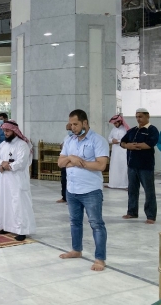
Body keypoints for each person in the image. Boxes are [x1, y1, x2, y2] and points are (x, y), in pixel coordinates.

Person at [58, 109, 109, 271]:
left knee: (96, 224)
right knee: (75, 222)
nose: (72, 127)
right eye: (71, 124)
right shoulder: (69, 140)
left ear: (85, 123)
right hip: (72, 189)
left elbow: (101, 165)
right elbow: (60, 163)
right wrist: (72, 159)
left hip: (91, 190)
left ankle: (100, 259)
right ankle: (76, 250)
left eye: (75, 124)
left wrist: (80, 163)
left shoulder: (98, 140)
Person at [0, 120, 36, 241]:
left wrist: (7, 166)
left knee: (18, 204)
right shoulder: (3, 144)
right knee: (5, 202)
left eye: (7, 131)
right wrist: (1, 163)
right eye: (4, 131)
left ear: (14, 131)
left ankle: (22, 230)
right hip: (5, 180)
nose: (5, 133)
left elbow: (22, 163)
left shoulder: (22, 144)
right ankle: (6, 226)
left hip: (17, 180)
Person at [120, 108, 160, 224]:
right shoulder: (132, 130)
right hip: (132, 165)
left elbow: (149, 144)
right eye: (137, 117)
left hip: (145, 166)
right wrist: (128, 145)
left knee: (149, 191)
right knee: (132, 190)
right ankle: (132, 212)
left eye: (141, 116)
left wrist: (132, 146)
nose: (138, 119)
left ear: (148, 117)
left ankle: (151, 216)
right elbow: (122, 142)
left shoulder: (152, 130)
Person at [107, 114, 129, 189]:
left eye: (116, 123)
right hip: (115, 151)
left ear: (120, 121)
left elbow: (128, 139)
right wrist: (112, 140)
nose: (115, 124)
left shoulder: (125, 129)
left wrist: (118, 141)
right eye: (114, 123)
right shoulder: (113, 129)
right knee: (114, 166)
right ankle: (113, 184)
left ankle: (124, 184)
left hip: (123, 151)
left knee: (123, 167)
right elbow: (109, 138)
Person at [57, 123, 73, 203]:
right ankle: (64, 197)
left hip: (73, 162)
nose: (68, 131)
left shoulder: (76, 138)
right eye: (67, 130)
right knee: (64, 180)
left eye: (69, 129)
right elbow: (61, 145)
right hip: (65, 161)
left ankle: (71, 199)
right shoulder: (67, 137)